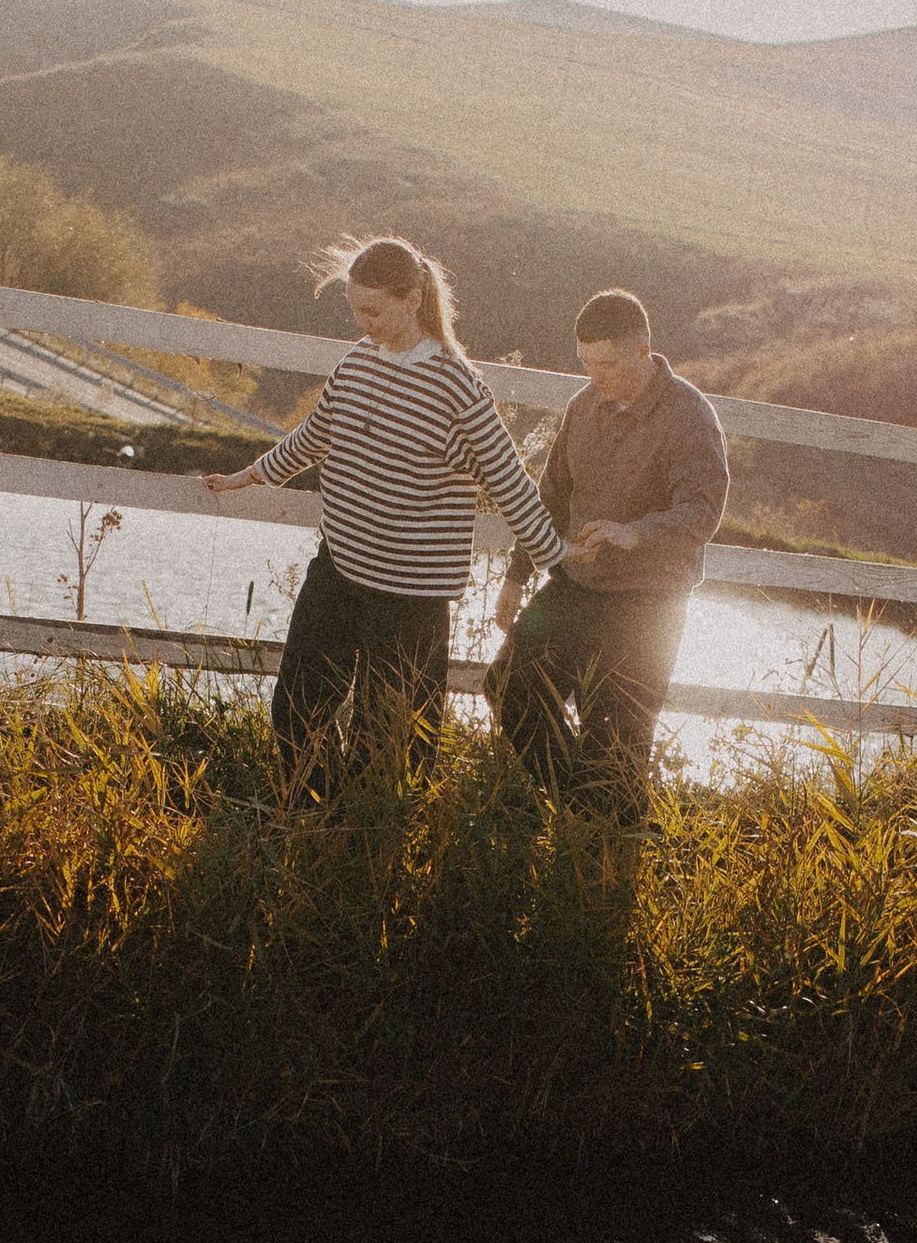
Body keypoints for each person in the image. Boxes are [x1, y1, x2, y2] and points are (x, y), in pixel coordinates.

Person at [204, 235, 565, 789]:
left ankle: (375, 848)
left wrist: (557, 558)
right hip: (338, 569)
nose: (363, 322)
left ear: (412, 299)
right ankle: (310, 822)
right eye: (356, 309)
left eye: (372, 310)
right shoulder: (355, 364)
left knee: (394, 742)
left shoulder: (457, 387)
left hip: (410, 594)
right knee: (298, 708)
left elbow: (509, 479)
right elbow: (314, 437)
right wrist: (248, 476)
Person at [490, 290, 730, 814]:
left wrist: (636, 532)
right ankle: (583, 813)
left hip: (648, 604)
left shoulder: (689, 415)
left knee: (616, 745)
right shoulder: (584, 405)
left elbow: (702, 510)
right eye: (586, 364)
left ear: (643, 351)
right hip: (576, 588)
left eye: (606, 363)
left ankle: (604, 838)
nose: (594, 376)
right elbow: (549, 497)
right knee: (510, 686)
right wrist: (515, 574)